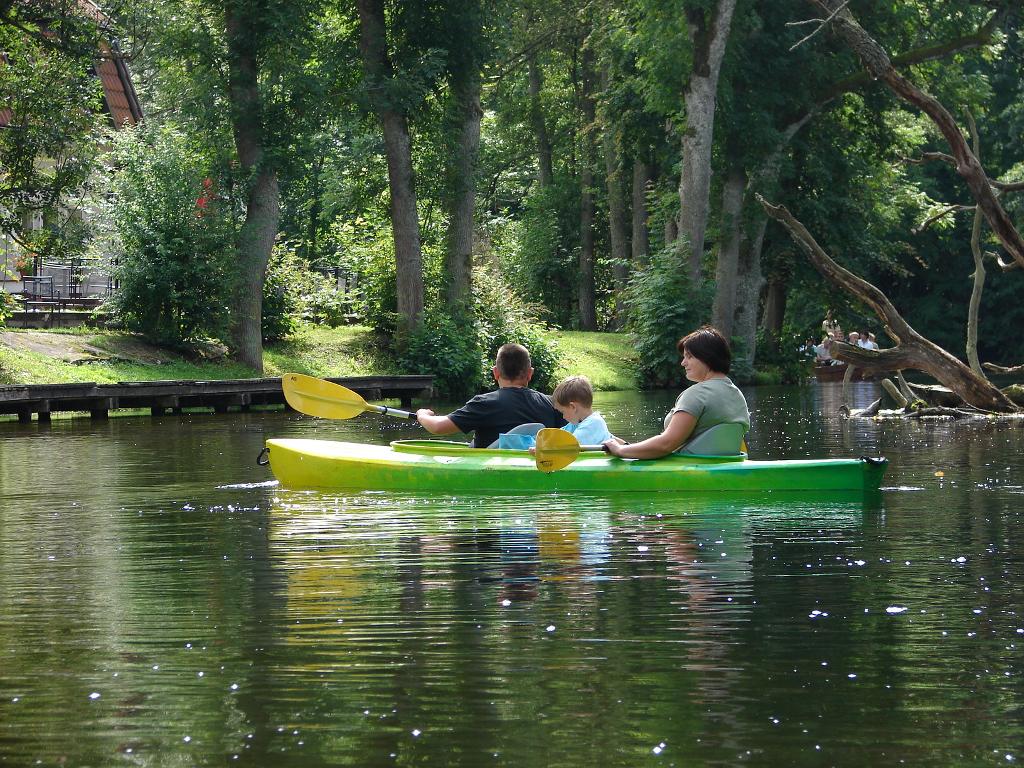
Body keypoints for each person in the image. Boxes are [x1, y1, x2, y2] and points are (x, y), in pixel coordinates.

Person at [602, 326, 750, 460]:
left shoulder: (697, 394)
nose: (683, 363)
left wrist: (621, 450)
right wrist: (629, 447)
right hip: (723, 468)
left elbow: (666, 444)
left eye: (689, 356)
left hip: (690, 471)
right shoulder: (737, 395)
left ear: (707, 357)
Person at [416, 343, 565, 448]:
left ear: (495, 373)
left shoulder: (484, 403)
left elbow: (437, 427)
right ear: (530, 373)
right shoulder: (553, 404)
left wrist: (422, 415)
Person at [551, 375, 613, 445]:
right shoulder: (576, 423)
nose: (563, 417)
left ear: (573, 407)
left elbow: (569, 446)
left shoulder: (593, 424)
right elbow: (558, 435)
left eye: (563, 412)